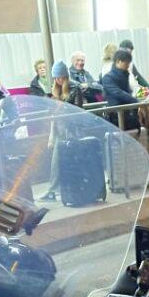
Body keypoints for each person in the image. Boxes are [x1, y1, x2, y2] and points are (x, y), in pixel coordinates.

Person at [40, 61, 84, 202]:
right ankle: (55, 189)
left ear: (66, 77)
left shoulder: (74, 88)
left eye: (61, 77)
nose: (58, 81)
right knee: (57, 160)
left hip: (71, 130)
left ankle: (54, 190)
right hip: (59, 130)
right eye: (56, 78)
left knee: (61, 161)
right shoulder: (54, 91)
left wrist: (59, 104)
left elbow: (77, 109)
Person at [101, 48, 141, 132]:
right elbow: (118, 93)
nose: (128, 65)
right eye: (127, 63)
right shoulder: (108, 78)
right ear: (119, 61)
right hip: (116, 116)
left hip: (128, 114)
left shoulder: (125, 74)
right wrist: (135, 101)